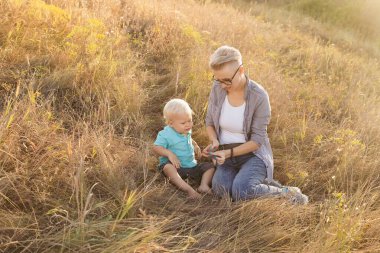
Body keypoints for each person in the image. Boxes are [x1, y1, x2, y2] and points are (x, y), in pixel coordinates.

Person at [202, 45, 308, 204]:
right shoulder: (217, 88)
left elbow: (257, 141)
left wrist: (229, 153)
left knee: (241, 191)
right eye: (217, 79)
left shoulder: (259, 97)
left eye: (227, 80)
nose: (222, 85)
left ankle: (287, 193)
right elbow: (209, 121)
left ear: (241, 71)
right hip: (225, 155)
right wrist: (215, 141)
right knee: (221, 191)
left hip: (253, 155)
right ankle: (257, 183)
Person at [153, 98, 215, 199]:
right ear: (171, 123)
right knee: (168, 168)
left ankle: (203, 185)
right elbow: (156, 147)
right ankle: (189, 190)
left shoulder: (186, 130)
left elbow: (189, 138)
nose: (188, 125)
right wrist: (169, 153)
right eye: (183, 123)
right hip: (176, 167)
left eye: (190, 120)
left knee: (210, 167)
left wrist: (195, 145)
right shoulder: (166, 134)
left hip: (191, 166)